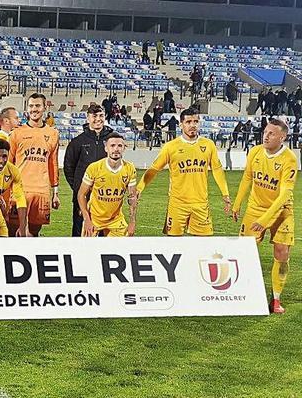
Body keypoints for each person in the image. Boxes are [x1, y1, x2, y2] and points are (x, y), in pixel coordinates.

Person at [232, 119, 297, 314]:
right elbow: (247, 178)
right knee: (244, 250)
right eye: (265, 132)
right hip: (255, 208)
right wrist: (237, 203)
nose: (266, 136)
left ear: (282, 137)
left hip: (281, 211)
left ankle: (276, 299)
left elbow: (285, 193)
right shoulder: (255, 152)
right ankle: (239, 291)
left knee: (282, 252)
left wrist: (266, 218)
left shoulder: (290, 159)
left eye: (271, 134)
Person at [137, 108, 231, 236]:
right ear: (181, 124)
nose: (192, 125)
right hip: (177, 204)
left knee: (204, 245)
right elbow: (154, 169)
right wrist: (139, 189)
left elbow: (217, 170)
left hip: (201, 204)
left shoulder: (209, 145)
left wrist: (225, 193)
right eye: (188, 122)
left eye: (196, 121)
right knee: (174, 245)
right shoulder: (171, 146)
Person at [7, 93, 60, 237]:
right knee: (13, 232)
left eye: (37, 105)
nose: (34, 109)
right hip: (19, 191)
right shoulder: (16, 133)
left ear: (44, 108)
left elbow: (53, 164)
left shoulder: (53, 133)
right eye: (31, 106)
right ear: (26, 109)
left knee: (34, 234)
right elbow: (8, 165)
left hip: (41, 191)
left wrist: (55, 193)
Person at [63, 104, 112, 237]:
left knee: (104, 234)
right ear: (88, 118)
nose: (98, 119)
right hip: (82, 197)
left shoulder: (111, 141)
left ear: (105, 116)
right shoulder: (77, 142)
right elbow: (68, 168)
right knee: (80, 232)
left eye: (101, 115)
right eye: (94, 116)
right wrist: (79, 188)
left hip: (106, 197)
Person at [77, 133, 138, 237]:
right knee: (86, 251)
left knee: (123, 248)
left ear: (124, 148)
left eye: (120, 146)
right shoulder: (94, 168)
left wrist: (132, 222)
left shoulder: (129, 168)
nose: (116, 149)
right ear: (106, 148)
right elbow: (81, 194)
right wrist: (86, 219)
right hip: (94, 218)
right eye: (112, 145)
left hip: (116, 219)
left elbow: (132, 197)